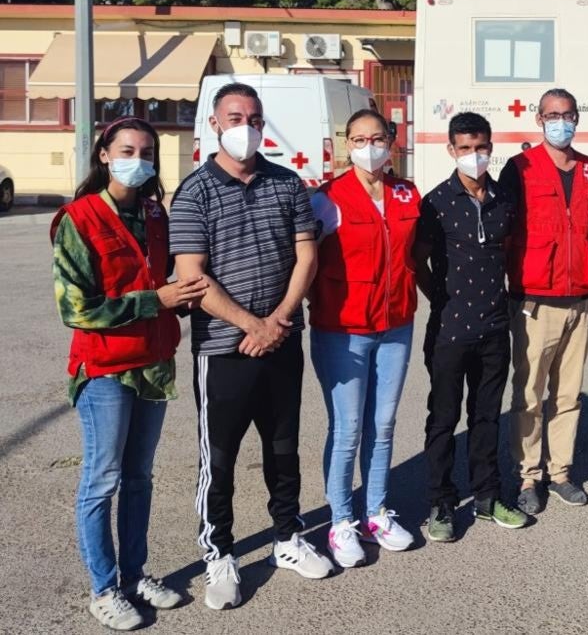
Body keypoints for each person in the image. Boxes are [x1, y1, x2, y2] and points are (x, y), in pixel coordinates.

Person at [170, 83, 331, 611]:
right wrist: (250, 326)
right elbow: (193, 278)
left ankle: (288, 537)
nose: (247, 126)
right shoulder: (194, 192)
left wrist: (279, 320)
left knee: (284, 449)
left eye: (255, 118)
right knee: (219, 457)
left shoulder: (286, 184)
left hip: (282, 340)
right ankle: (220, 553)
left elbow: (305, 257)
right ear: (215, 124)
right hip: (222, 349)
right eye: (235, 117)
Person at [52, 117, 207, 630]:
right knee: (102, 480)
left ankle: (136, 574)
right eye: (126, 149)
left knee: (140, 478)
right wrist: (154, 300)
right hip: (105, 368)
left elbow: (161, 279)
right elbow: (76, 308)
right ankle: (104, 587)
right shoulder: (78, 219)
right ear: (104, 154)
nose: (136, 159)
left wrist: (180, 299)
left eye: (146, 151)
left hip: (153, 364)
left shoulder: (155, 214)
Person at [308, 110, 421, 568]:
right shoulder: (327, 199)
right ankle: (340, 521)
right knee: (348, 428)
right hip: (344, 329)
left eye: (376, 138)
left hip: (396, 324)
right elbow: (303, 262)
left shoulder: (405, 192)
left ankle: (376, 511)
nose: (368, 146)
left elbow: (420, 251)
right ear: (346, 143)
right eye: (358, 139)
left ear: (391, 141)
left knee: (384, 424)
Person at [414, 112, 528, 542]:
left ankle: (487, 496)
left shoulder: (503, 199)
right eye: (465, 149)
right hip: (449, 331)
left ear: (490, 147)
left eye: (481, 148)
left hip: (494, 327)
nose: (474, 156)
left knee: (486, 418)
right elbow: (418, 260)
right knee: (443, 419)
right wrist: (439, 299)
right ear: (451, 151)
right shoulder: (436, 201)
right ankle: (441, 503)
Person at [499, 89, 588, 515]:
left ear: (577, 118)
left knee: (569, 393)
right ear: (539, 120)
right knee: (529, 392)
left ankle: (560, 472)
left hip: (582, 298)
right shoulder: (519, 168)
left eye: (567, 114)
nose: (560, 122)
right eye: (552, 115)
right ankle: (528, 475)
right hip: (535, 299)